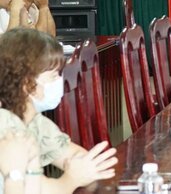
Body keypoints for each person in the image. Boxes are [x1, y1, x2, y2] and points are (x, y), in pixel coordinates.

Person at [0, 28, 118, 193]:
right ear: (27, 83)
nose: (60, 81)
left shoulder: (36, 123)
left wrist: (84, 168)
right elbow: (36, 190)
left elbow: (76, 157)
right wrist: (72, 179)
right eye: (54, 76)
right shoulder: (6, 124)